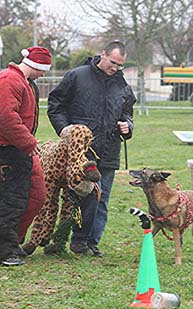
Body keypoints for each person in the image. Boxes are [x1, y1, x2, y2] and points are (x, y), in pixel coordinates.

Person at [47, 41, 136, 256]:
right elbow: (55, 104)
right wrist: (66, 131)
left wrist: (127, 126)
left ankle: (89, 243)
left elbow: (127, 113)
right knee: (77, 196)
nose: (115, 68)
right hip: (80, 151)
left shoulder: (122, 85)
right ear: (103, 54)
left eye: (120, 65)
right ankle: (66, 241)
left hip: (109, 150)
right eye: (113, 62)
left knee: (100, 199)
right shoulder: (77, 76)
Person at [0, 46, 52, 266]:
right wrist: (29, 143)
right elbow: (5, 118)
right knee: (10, 202)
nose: (44, 75)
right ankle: (3, 253)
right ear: (36, 65)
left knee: (34, 195)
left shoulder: (24, 83)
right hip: (6, 150)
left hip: (18, 149)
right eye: (43, 70)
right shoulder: (9, 81)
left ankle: (13, 243)